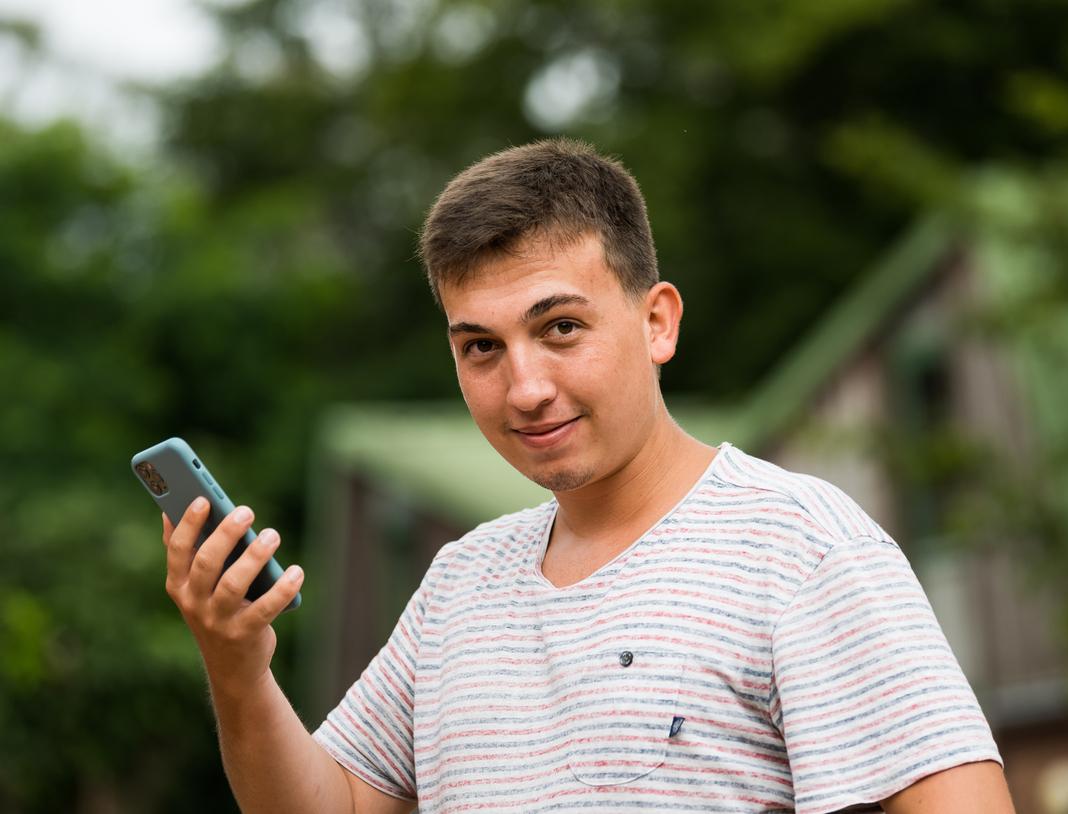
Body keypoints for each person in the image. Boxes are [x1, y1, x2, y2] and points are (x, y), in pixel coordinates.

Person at [162, 139, 1016, 813]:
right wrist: (237, 669)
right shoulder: (460, 583)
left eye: (561, 327)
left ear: (657, 322)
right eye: (481, 348)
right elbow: (333, 806)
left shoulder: (795, 544)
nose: (525, 388)